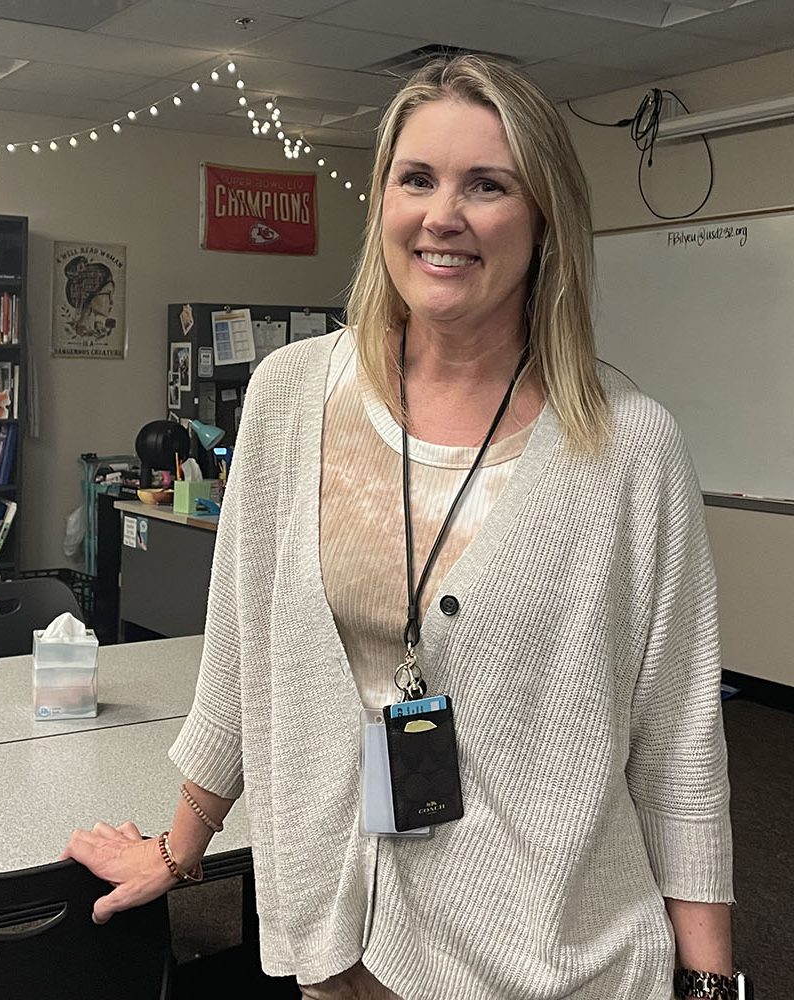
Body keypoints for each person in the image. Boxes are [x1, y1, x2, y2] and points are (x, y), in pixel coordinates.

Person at [64, 54, 739, 1000]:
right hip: (338, 939)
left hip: (552, 956)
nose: (442, 215)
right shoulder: (291, 397)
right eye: (415, 178)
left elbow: (678, 750)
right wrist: (178, 856)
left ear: (545, 220)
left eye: (488, 185)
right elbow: (242, 658)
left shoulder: (630, 449)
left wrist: (712, 987)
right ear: (382, 199)